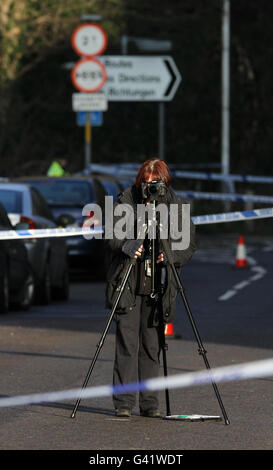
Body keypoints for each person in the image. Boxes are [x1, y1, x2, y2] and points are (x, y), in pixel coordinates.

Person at [105, 158, 196, 418]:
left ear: (165, 183)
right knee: (126, 343)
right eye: (145, 183)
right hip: (128, 281)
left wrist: (170, 256)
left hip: (159, 283)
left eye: (154, 184)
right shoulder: (125, 201)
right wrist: (128, 244)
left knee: (151, 344)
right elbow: (111, 235)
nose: (149, 188)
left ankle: (150, 403)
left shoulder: (176, 206)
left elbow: (188, 244)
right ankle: (123, 402)